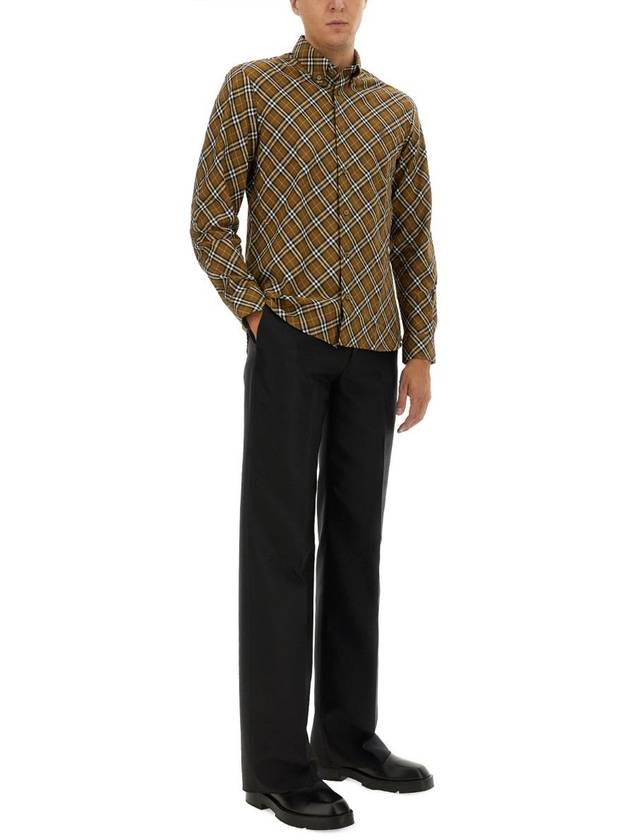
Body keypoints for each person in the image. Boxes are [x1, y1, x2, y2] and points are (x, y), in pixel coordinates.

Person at [189, 0, 437, 830]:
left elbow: (412, 240)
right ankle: (275, 767)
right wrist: (257, 315)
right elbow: (210, 218)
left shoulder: (396, 111)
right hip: (289, 342)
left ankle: (345, 738)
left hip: (373, 348)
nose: (337, 3)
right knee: (280, 550)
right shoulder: (252, 90)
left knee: (357, 546)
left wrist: (420, 350)